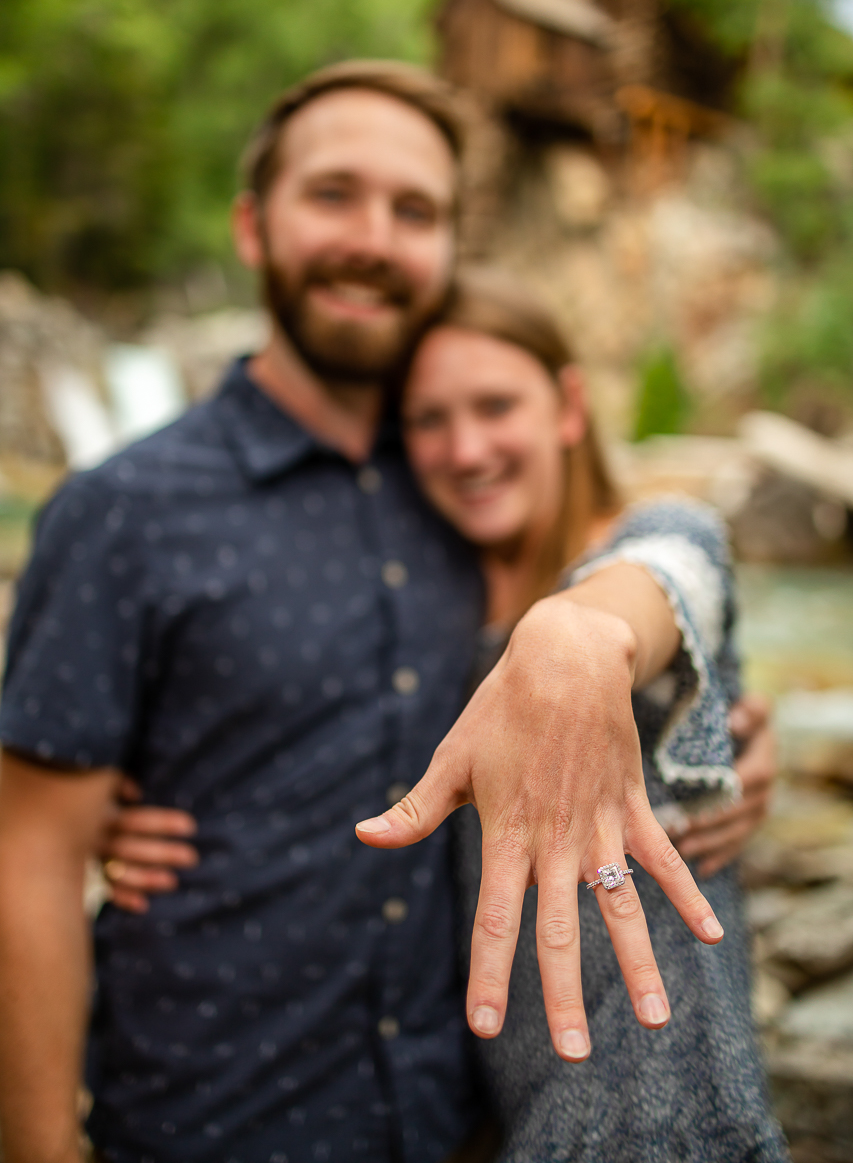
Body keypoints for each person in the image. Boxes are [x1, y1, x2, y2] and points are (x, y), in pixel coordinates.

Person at [0, 61, 757, 1163]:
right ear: (253, 226)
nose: (373, 236)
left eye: (416, 211)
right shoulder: (119, 512)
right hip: (205, 1120)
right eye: (334, 195)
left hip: (454, 1122)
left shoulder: (467, 489)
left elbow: (638, 581)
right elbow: (28, 858)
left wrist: (719, 735)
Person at [108, 268, 785, 1161]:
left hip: (671, 1129)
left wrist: (576, 642)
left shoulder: (658, 535)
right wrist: (117, 810)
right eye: (430, 419)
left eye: (496, 405)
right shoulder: (432, 599)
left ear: (568, 406)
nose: (466, 450)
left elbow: (669, 581)